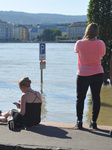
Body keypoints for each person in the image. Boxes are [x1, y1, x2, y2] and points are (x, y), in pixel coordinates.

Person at [74, 23, 106, 129]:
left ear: (86, 31)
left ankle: (79, 122)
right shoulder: (101, 43)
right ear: (97, 32)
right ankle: (94, 122)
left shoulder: (80, 43)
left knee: (80, 98)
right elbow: (102, 54)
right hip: (97, 73)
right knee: (96, 98)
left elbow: (76, 51)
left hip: (83, 74)